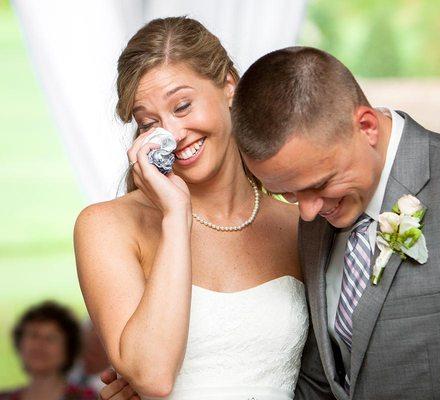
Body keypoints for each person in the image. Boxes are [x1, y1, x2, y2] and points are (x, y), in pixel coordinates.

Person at [230, 47, 440, 399]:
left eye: (320, 184)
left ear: (366, 126)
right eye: (289, 195)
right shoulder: (320, 214)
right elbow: (325, 380)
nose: (308, 212)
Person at [74, 17, 308, 400]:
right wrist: (175, 216)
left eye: (182, 106)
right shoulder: (106, 226)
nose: (174, 135)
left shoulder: (297, 224)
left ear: (229, 86)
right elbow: (153, 376)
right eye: (150, 123)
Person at [0, 301, 97, 400]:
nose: (39, 345)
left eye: (51, 338)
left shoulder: (88, 398)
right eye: (34, 335)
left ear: (69, 348)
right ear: (20, 343)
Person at [68, 319, 109, 392]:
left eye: (103, 341)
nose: (95, 346)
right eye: (92, 332)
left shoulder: (112, 390)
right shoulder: (61, 368)